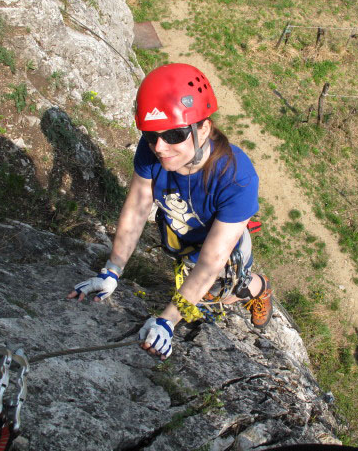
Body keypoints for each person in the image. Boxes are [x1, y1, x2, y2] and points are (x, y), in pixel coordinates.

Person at [67, 63, 273, 360]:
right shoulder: (152, 148)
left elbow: (212, 260)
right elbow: (137, 206)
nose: (161, 147)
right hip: (181, 235)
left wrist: (167, 320)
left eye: (175, 134)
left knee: (221, 294)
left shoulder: (237, 178)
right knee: (197, 286)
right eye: (152, 136)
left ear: (204, 128)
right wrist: (111, 270)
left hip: (220, 247)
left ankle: (259, 288)